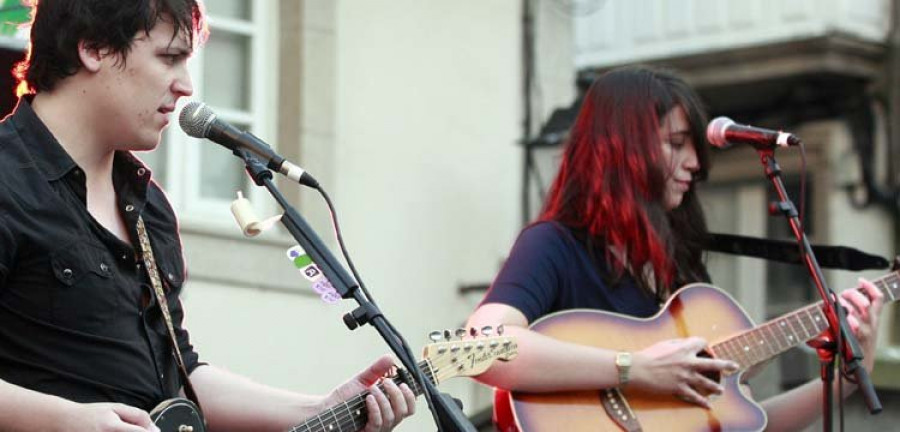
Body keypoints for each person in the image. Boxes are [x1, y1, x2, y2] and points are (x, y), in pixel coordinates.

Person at [0, 1, 415, 431]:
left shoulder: (150, 210)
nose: (186, 86)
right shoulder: (7, 180)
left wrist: (321, 409)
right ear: (94, 49)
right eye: (170, 58)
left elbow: (181, 377)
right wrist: (64, 421)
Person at [466, 66, 884, 431]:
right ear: (622, 149)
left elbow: (745, 423)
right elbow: (479, 349)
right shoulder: (555, 245)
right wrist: (634, 368)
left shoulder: (679, 276)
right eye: (675, 143)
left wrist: (852, 373)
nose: (695, 164)